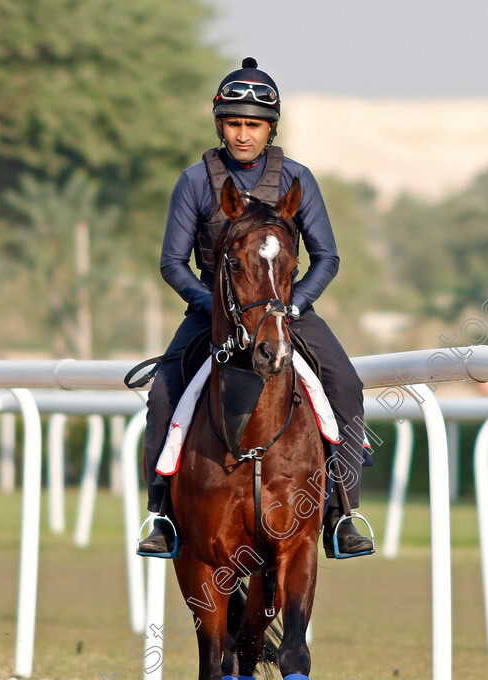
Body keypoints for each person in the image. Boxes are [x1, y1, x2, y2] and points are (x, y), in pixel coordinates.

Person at [138, 57, 373, 558]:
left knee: (346, 384)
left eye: (253, 125)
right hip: (214, 311)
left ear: (270, 128)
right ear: (220, 125)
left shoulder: (297, 179)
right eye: (234, 124)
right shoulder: (194, 182)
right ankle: (161, 516)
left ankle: (342, 512)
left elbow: (327, 257)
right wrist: (212, 306)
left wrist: (293, 306)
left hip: (286, 309)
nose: (243, 134)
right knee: (163, 394)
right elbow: (172, 263)